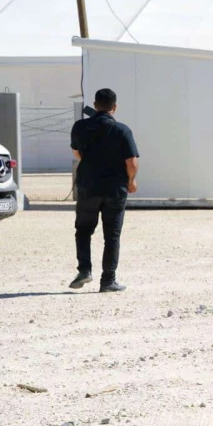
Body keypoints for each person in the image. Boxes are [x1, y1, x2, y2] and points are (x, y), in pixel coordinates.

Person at [69, 88, 138, 293]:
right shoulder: (121, 130)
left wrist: (92, 163)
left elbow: (76, 152)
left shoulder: (80, 127)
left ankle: (84, 271)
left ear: (95, 104)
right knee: (112, 235)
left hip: (88, 187)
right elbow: (132, 162)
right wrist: (131, 181)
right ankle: (108, 281)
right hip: (114, 189)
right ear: (114, 108)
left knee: (83, 231)